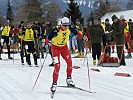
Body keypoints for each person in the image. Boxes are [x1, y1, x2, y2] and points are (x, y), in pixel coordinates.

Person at [46, 17, 75, 92]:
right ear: (61, 24)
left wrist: (83, 37)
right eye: (64, 25)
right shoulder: (56, 30)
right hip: (55, 49)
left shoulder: (69, 28)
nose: (66, 27)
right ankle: (54, 84)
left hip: (64, 48)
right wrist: (48, 42)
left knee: (70, 63)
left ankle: (69, 79)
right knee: (57, 66)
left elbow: (77, 33)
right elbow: (48, 38)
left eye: (67, 25)